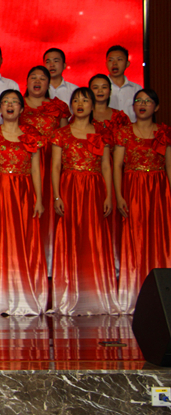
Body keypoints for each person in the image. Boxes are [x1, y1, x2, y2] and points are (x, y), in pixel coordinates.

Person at [0, 90, 47, 315]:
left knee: (24, 240)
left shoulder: (31, 135)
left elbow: (36, 170)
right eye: (5, 102)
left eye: (14, 102)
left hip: (24, 193)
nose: (10, 105)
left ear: (22, 109)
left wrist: (39, 199)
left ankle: (24, 294)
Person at [50, 87, 119, 315]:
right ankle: (69, 294)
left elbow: (106, 166)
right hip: (70, 187)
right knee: (71, 238)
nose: (80, 104)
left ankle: (95, 293)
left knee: (94, 238)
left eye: (85, 100)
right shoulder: (61, 133)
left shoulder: (101, 133)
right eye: (76, 100)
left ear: (92, 105)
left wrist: (109, 195)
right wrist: (57, 195)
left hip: (94, 189)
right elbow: (56, 166)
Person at [114, 89, 171, 313]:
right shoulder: (124, 132)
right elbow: (117, 166)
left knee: (160, 238)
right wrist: (119, 195)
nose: (143, 104)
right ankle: (133, 293)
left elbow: (168, 166)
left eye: (148, 101)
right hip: (133, 188)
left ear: (156, 107)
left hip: (158, 189)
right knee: (135, 237)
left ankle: (163, 295)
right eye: (139, 100)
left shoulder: (164, 132)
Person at [20, 65, 69, 273]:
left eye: (42, 78)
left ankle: (50, 262)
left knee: (51, 210)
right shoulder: (17, 104)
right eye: (33, 77)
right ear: (27, 81)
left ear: (49, 83)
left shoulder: (58, 107)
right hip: (25, 163)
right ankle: (27, 261)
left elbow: (65, 137)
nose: (37, 81)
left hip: (52, 164)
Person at [88, 74, 131, 277]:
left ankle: (117, 263)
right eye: (95, 87)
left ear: (110, 91)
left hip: (117, 169)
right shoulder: (82, 116)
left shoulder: (120, 117)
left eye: (104, 87)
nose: (100, 91)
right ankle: (97, 262)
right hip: (92, 171)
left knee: (116, 213)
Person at [106, 45, 142, 122]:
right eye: (111, 60)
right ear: (106, 63)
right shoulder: (99, 89)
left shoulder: (137, 89)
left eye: (119, 59)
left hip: (132, 128)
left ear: (127, 64)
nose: (114, 63)